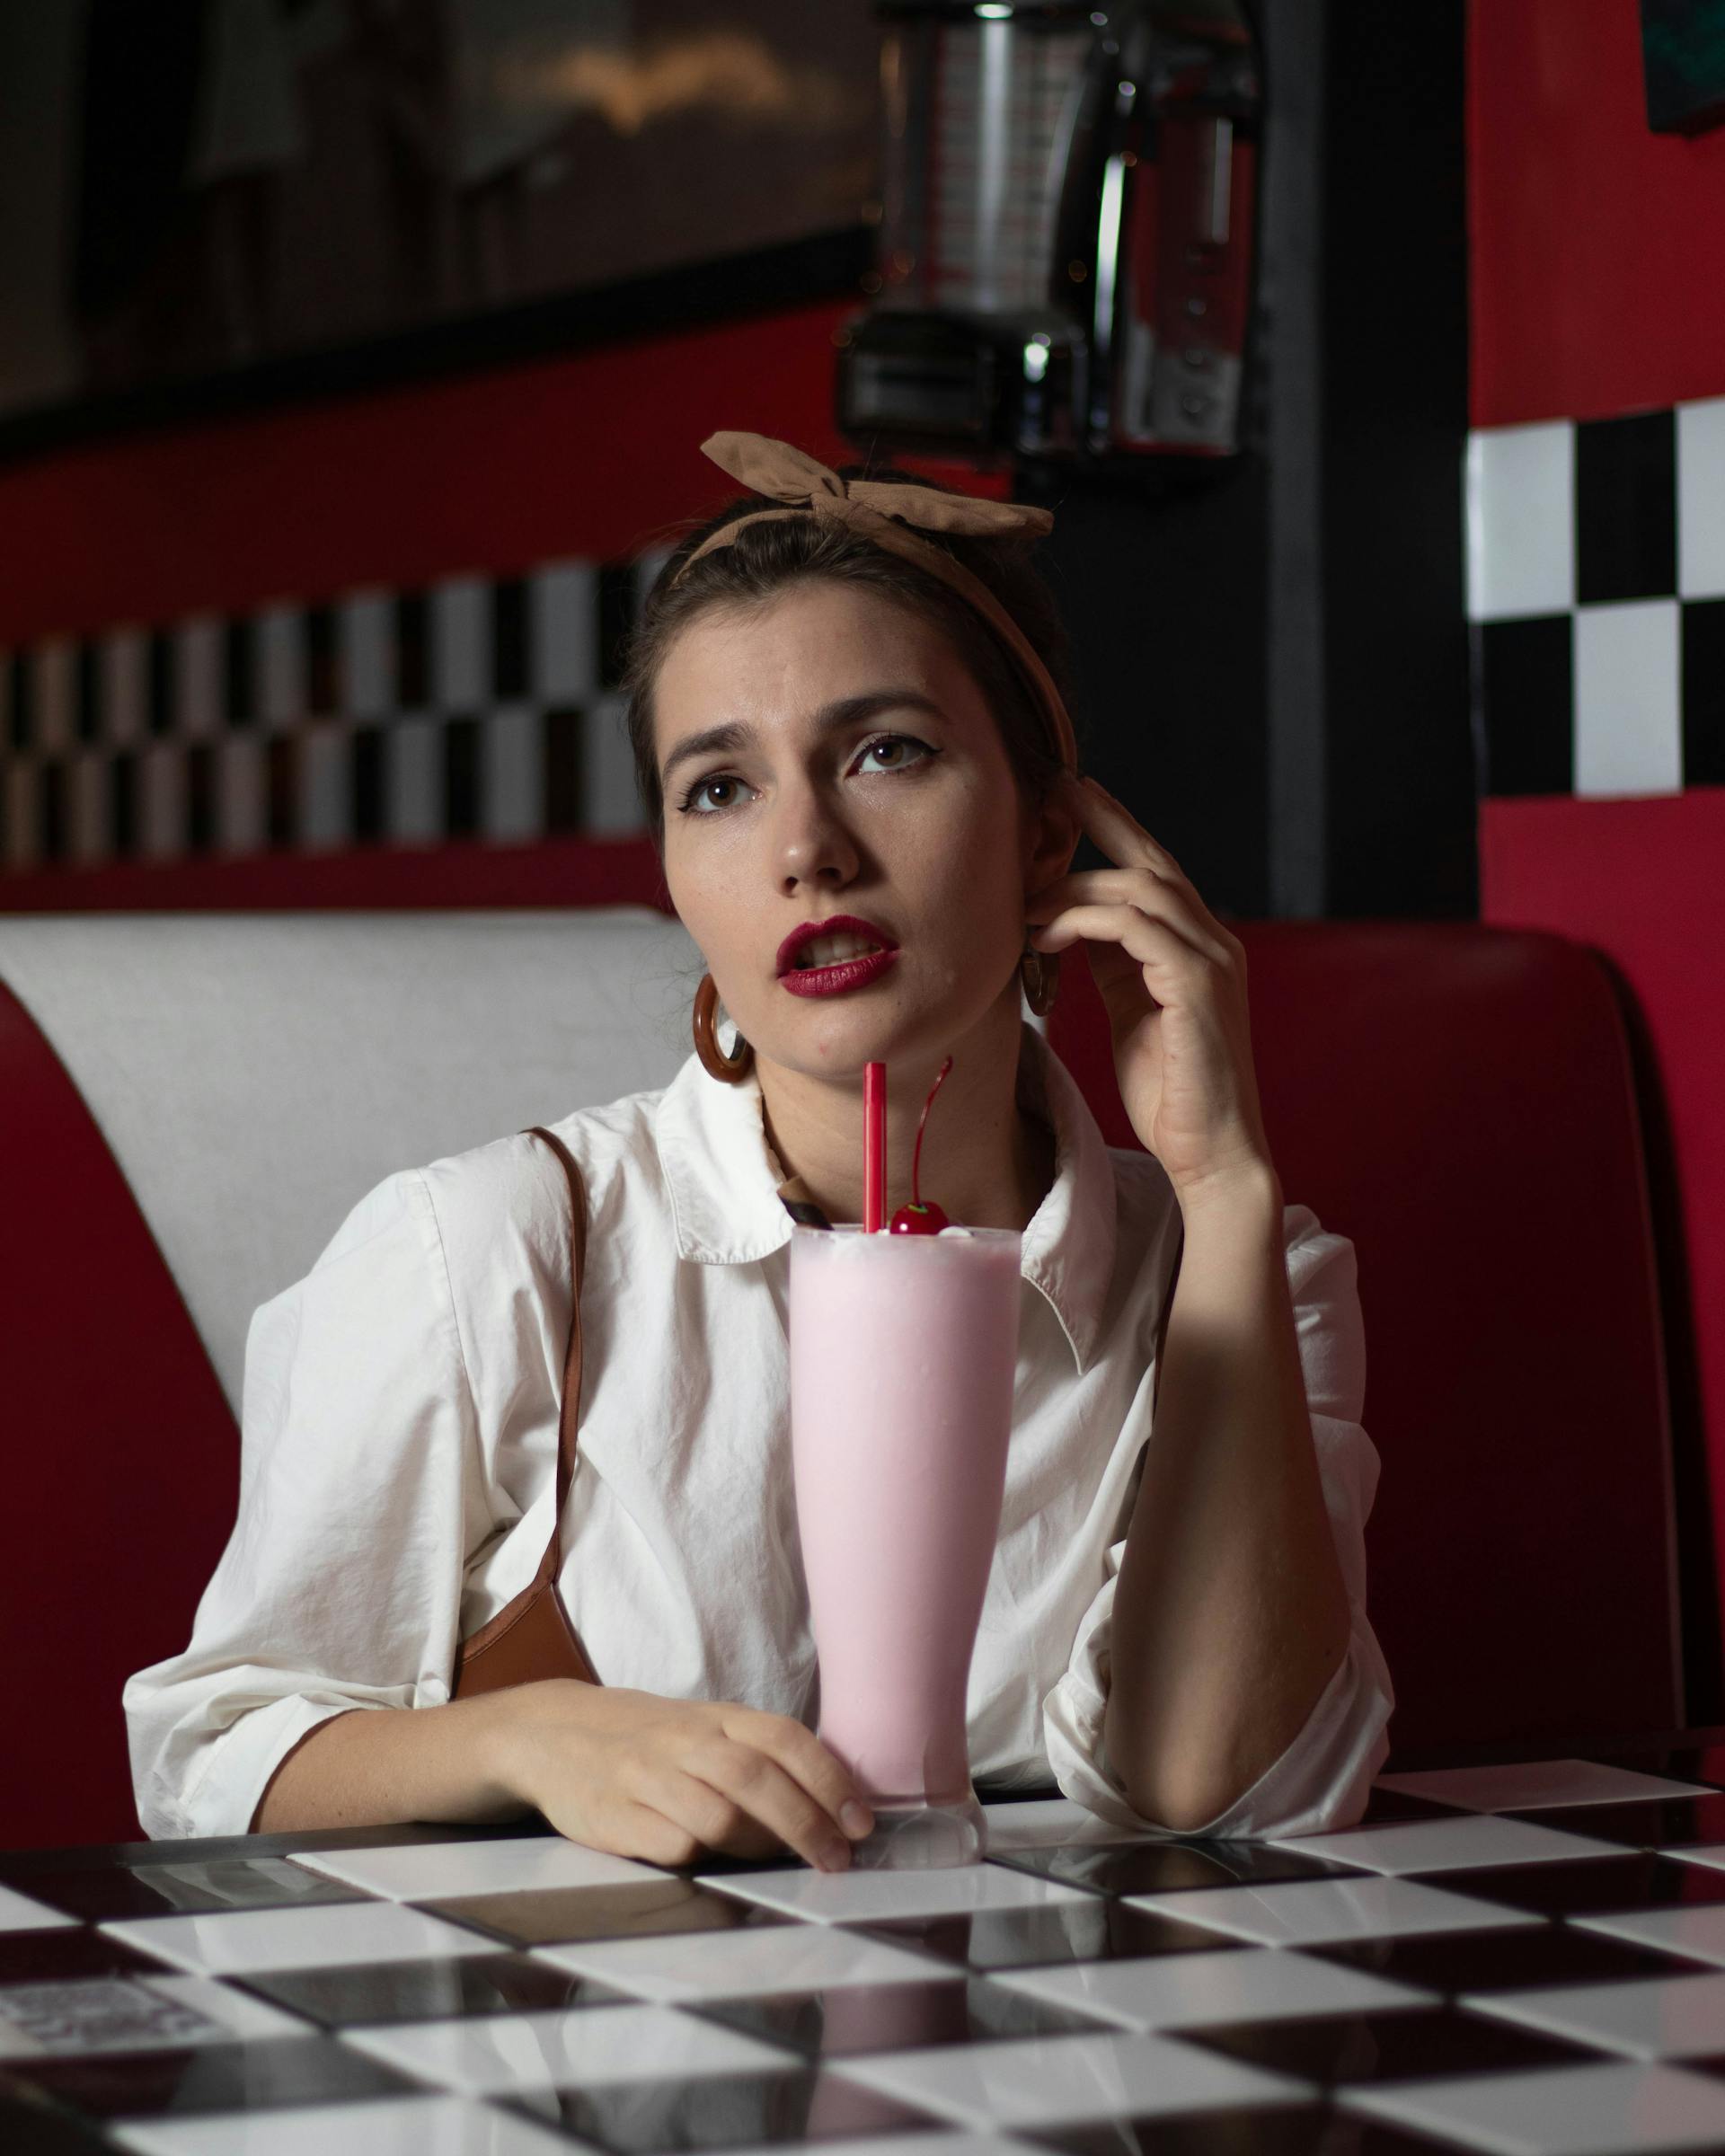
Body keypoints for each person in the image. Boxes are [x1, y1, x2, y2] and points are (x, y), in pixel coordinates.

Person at [124, 432, 1393, 1869]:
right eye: (718, 788)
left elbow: (1220, 1797)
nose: (808, 849)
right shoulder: (490, 1251)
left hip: (1068, 2051)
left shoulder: (1241, 1275)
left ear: (1052, 842)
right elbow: (205, 1753)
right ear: (672, 867)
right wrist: (527, 1740)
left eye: (887, 751)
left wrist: (1224, 1188)